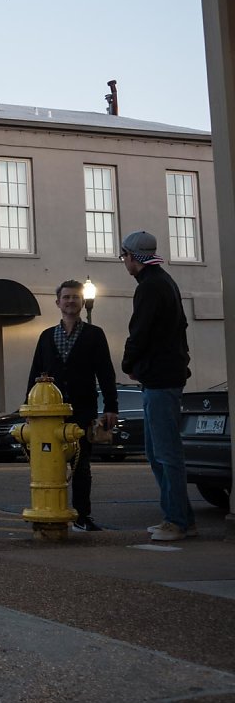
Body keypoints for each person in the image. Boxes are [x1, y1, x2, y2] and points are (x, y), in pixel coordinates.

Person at [119, 230, 196, 542]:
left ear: (135, 258)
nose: (123, 261)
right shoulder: (165, 282)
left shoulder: (149, 288)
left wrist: (129, 364)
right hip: (164, 375)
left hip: (160, 379)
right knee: (157, 452)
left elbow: (141, 331)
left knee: (165, 453)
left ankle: (177, 521)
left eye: (124, 255)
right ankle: (178, 517)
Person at [27, 279, 118, 532]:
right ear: (58, 303)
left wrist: (111, 406)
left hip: (83, 410)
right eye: (66, 297)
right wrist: (29, 410)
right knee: (47, 465)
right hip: (49, 415)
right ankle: (48, 511)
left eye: (75, 297)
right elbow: (36, 373)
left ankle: (81, 515)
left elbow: (106, 372)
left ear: (81, 302)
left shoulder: (94, 334)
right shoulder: (46, 337)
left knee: (81, 465)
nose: (70, 301)